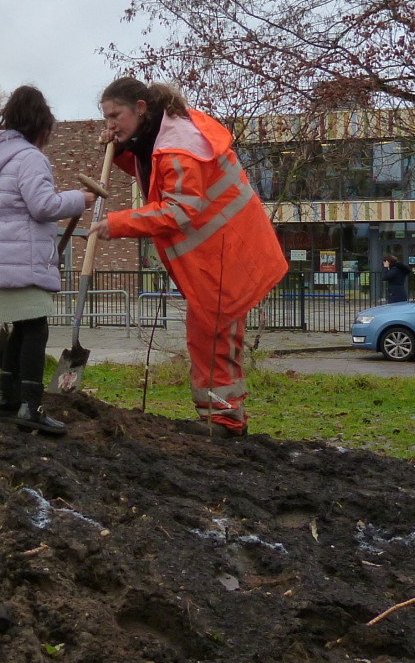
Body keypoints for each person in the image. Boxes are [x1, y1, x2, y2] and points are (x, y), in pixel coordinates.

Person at [94, 77, 285, 436]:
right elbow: (153, 175)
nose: (110, 125)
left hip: (229, 257)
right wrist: (119, 149)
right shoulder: (159, 139)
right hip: (216, 257)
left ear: (140, 108)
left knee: (215, 337)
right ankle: (220, 417)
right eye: (106, 119)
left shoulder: (179, 147)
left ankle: (225, 421)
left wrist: (118, 223)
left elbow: (180, 210)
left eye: (114, 116)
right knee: (206, 336)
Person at [0, 85, 96, 435]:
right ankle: (32, 407)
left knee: (21, 327)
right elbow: (43, 206)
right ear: (42, 128)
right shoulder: (30, 157)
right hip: (22, 259)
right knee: (36, 327)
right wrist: (79, 199)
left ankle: (8, 398)